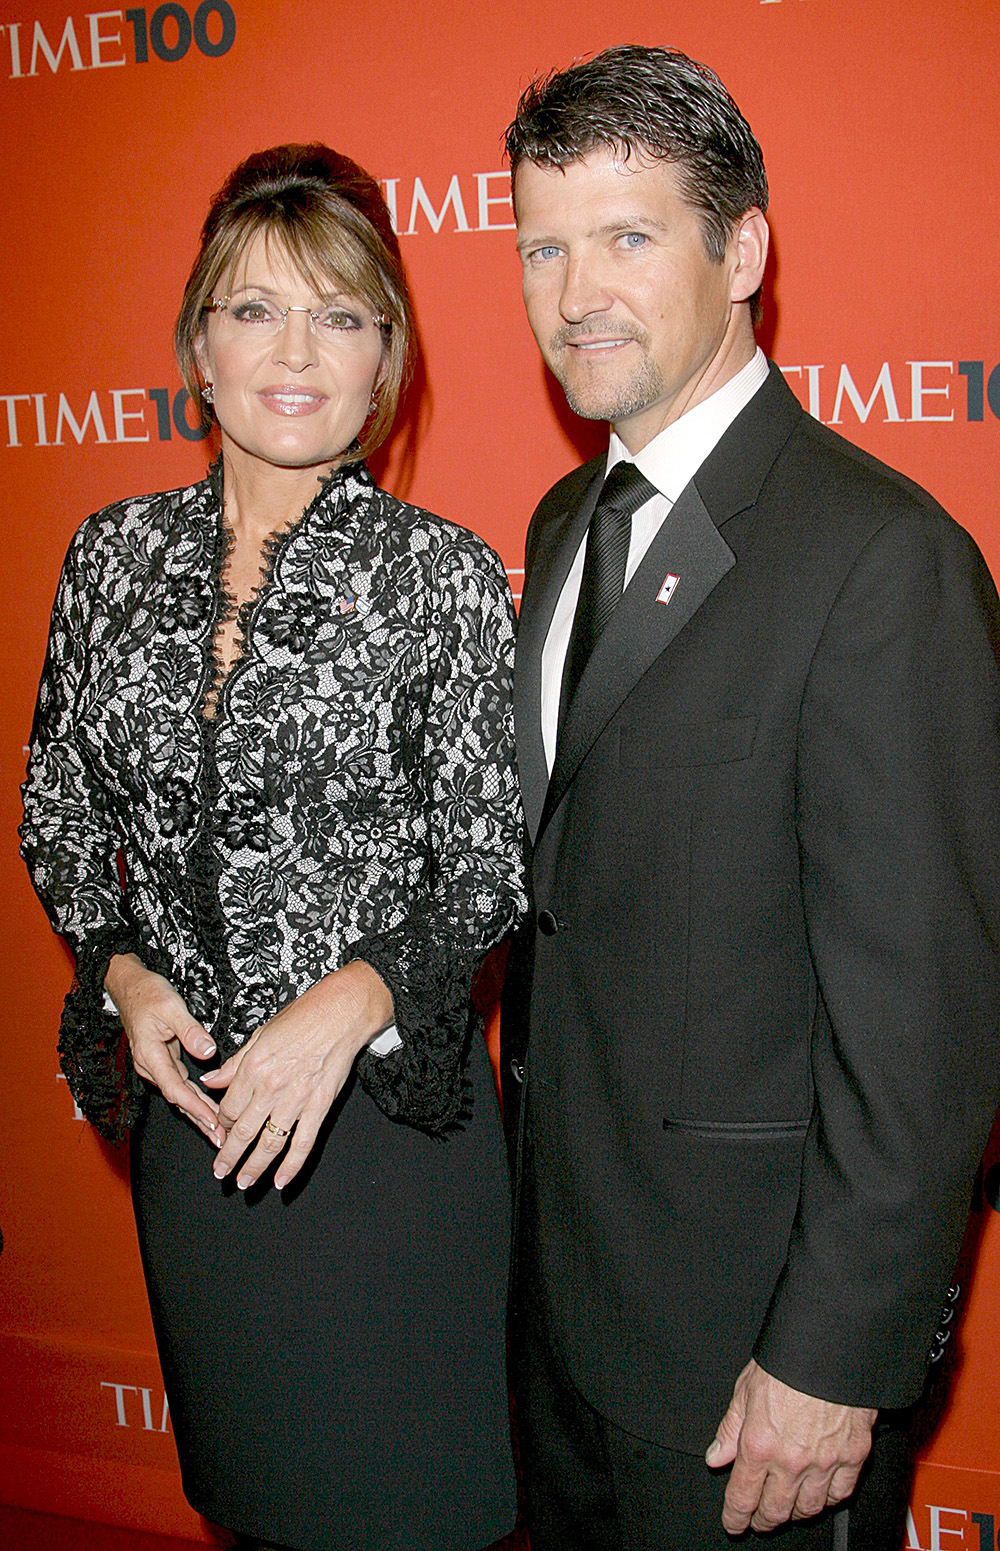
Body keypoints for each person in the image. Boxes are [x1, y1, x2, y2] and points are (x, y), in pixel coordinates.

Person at [499, 44, 1000, 1551]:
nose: (576, 287)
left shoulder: (881, 561)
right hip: (565, 1324)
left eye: (630, 236)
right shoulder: (557, 522)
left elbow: (928, 1024)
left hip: (751, 1369)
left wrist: (834, 1359)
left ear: (747, 251)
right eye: (544, 244)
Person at [20, 143, 527, 1551]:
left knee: (420, 1515)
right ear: (196, 342)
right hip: (198, 1149)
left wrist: (352, 999)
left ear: (388, 360)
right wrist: (121, 978)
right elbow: (57, 811)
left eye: (341, 315)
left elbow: (490, 859)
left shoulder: (443, 574)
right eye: (254, 308)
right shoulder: (109, 557)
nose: (296, 351)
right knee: (253, 1506)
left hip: (386, 1152)